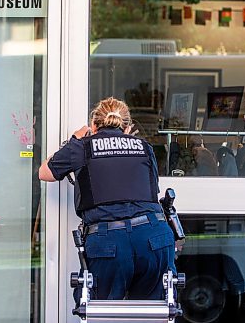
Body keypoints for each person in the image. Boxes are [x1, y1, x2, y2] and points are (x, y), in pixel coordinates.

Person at [39, 97, 176, 301]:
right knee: (153, 313)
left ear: (93, 125)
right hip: (153, 237)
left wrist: (74, 140)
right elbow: (150, 190)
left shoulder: (82, 146)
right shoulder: (144, 147)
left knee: (100, 312)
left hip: (109, 242)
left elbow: (45, 172)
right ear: (127, 127)